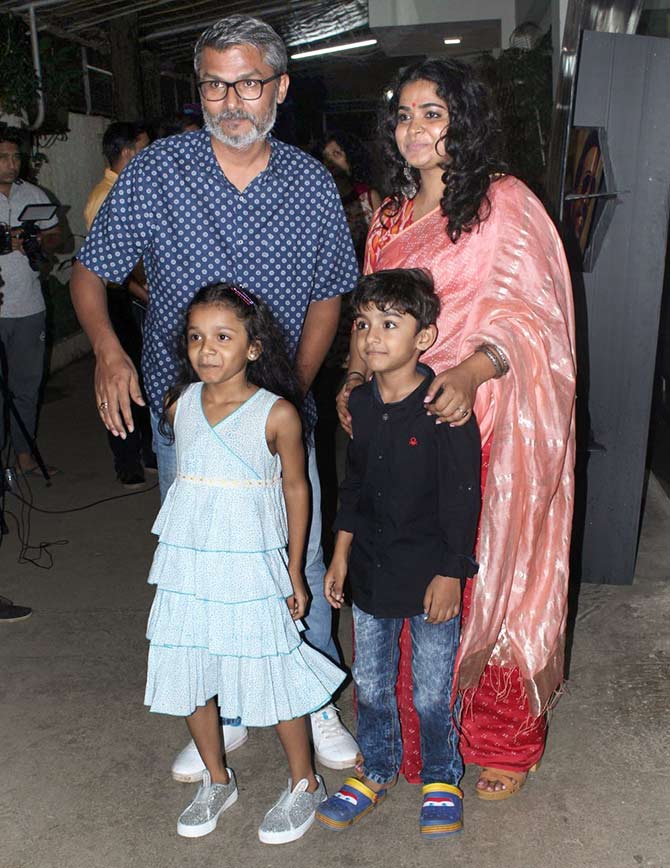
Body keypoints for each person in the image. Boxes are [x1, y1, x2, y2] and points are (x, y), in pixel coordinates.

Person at [70, 14, 359, 776]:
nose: (231, 100)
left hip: (279, 422)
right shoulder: (160, 169)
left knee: (290, 552)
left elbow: (331, 292)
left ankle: (313, 695)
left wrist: (290, 387)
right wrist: (106, 350)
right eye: (214, 85)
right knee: (205, 565)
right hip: (186, 419)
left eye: (248, 83)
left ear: (280, 89)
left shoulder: (309, 184)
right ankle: (227, 709)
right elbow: (91, 269)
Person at [338, 58, 576, 800]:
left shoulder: (504, 204)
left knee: (486, 570)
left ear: (463, 122)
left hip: (490, 420)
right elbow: (371, 308)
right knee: (403, 567)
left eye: (432, 113)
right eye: (404, 115)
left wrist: (471, 372)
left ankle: (500, 737)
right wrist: (353, 379)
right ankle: (410, 738)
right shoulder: (388, 217)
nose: (415, 129)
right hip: (397, 424)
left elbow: (538, 318)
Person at [145, 283, 343, 842]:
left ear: (253, 347)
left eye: (223, 337)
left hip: (253, 564)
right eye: (196, 337)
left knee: (273, 670)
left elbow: (297, 490)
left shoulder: (275, 413)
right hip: (191, 565)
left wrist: (294, 568)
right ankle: (216, 778)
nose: (207, 349)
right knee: (190, 669)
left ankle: (304, 782)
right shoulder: (178, 404)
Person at [316, 269, 480, 837]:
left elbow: (464, 498)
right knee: (372, 681)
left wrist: (451, 572)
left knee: (432, 690)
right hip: (372, 572)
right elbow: (354, 485)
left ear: (424, 338)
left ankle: (440, 776)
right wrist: (339, 556)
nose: (372, 337)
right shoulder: (359, 403)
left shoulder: (443, 406)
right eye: (363, 324)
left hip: (431, 573)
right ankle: (377, 768)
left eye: (390, 323)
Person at [84, 121, 154, 488]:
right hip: (112, 297)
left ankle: (144, 451)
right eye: (145, 148)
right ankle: (126, 459)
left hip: (126, 296)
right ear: (128, 153)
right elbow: (104, 266)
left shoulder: (129, 190)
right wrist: (146, 295)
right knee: (116, 374)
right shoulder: (105, 197)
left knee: (137, 373)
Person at [0, 126, 61, 475]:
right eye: (4, 158)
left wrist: (38, 241)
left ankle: (24, 455)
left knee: (26, 385)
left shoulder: (33, 193)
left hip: (29, 309)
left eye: (15, 157)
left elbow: (57, 236)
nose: (11, 164)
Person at [321, 131, 381, 266]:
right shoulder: (315, 202)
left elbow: (381, 245)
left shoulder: (368, 197)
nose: (329, 162)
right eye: (325, 157)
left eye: (336, 154)